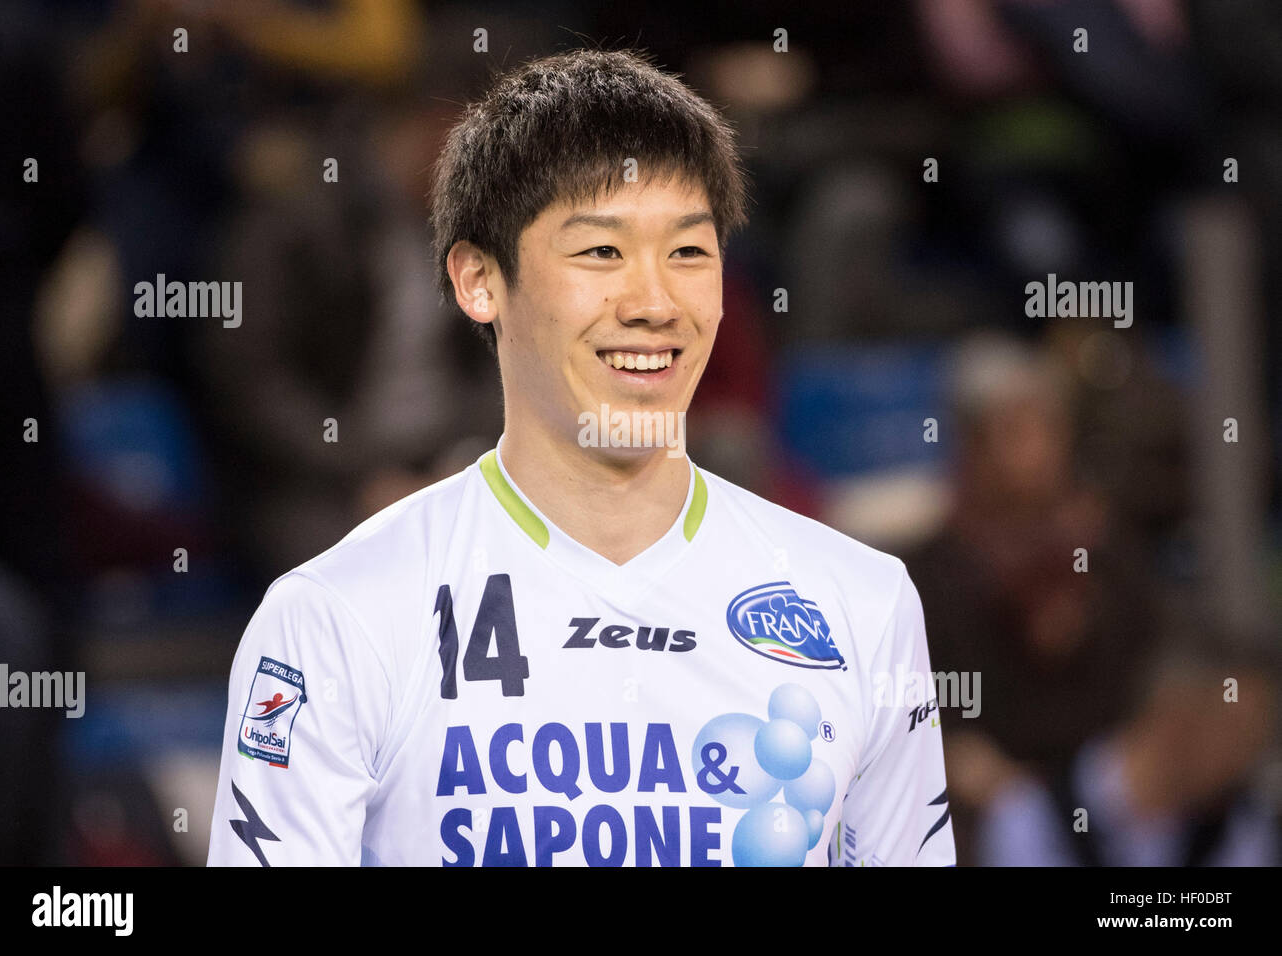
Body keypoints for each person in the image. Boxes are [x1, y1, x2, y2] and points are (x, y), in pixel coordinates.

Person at [207, 47, 954, 866]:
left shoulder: (865, 603)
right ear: (478, 280)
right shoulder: (333, 620)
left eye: (689, 252)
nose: (654, 303)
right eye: (601, 252)